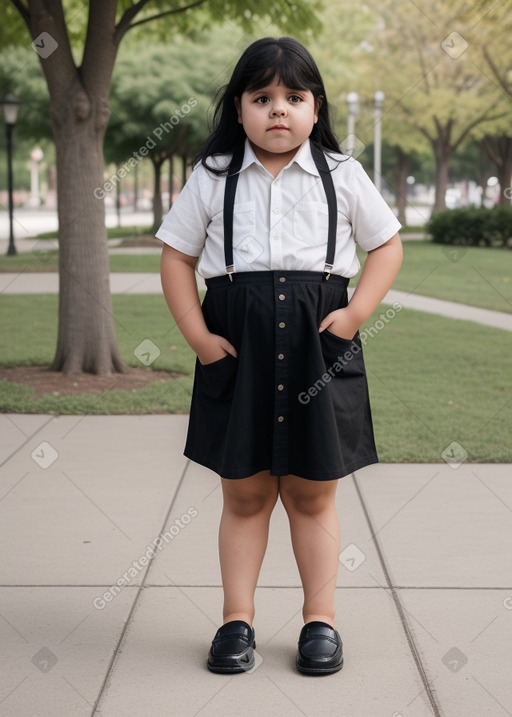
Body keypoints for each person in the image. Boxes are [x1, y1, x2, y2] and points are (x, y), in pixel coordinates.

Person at [158, 36, 402, 675]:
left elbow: (388, 246)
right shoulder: (213, 177)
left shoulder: (343, 174)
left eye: (293, 98)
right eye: (261, 97)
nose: (277, 111)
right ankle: (236, 620)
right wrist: (197, 338)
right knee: (243, 493)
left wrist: (353, 315)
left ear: (315, 108)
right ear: (237, 108)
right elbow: (177, 257)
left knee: (314, 493)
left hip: (317, 345)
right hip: (238, 347)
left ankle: (319, 622)